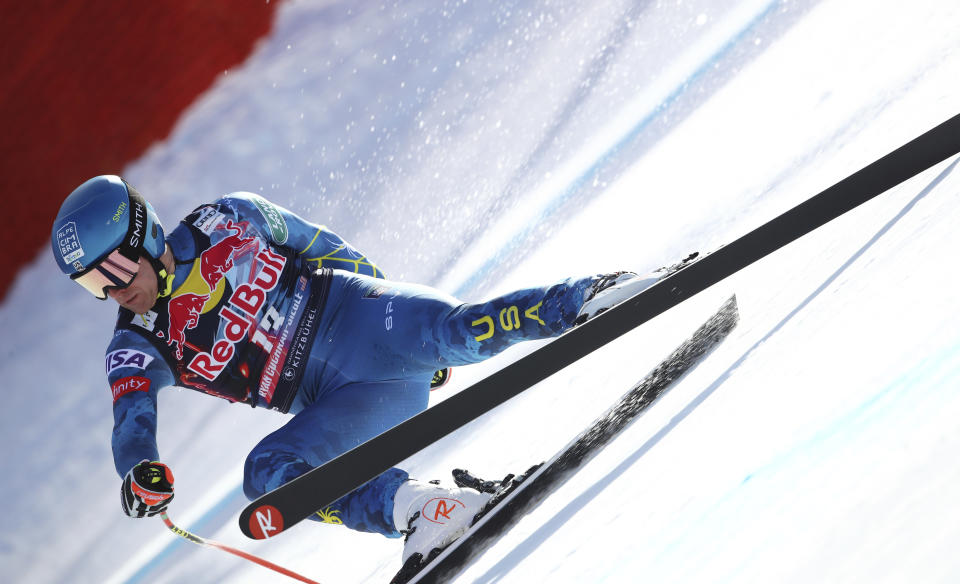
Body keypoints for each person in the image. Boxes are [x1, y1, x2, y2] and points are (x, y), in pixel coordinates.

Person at [51, 175, 666, 567]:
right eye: (89, 285)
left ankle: (591, 298)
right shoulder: (136, 344)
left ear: (143, 234)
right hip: (343, 406)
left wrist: (392, 308)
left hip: (363, 319)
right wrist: (140, 471)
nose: (109, 293)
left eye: (111, 271)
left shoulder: (230, 217)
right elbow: (131, 418)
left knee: (458, 332)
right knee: (265, 477)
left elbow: (325, 246)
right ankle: (426, 510)